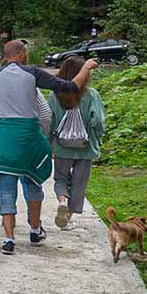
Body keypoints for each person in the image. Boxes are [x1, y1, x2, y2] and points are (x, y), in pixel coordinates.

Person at [0, 39, 97, 253]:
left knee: (6, 188)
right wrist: (86, 67)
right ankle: (35, 230)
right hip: (28, 137)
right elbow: (70, 86)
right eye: (26, 52)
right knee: (33, 182)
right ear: (20, 53)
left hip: (3, 138)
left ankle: (8, 239)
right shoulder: (32, 73)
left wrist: (1, 113)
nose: (27, 56)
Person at [45, 54, 104, 230]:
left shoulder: (54, 95)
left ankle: (62, 201)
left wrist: (49, 142)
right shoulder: (91, 95)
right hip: (86, 147)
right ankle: (68, 217)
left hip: (62, 146)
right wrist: (98, 138)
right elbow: (97, 121)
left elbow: (49, 121)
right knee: (80, 182)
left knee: (61, 178)